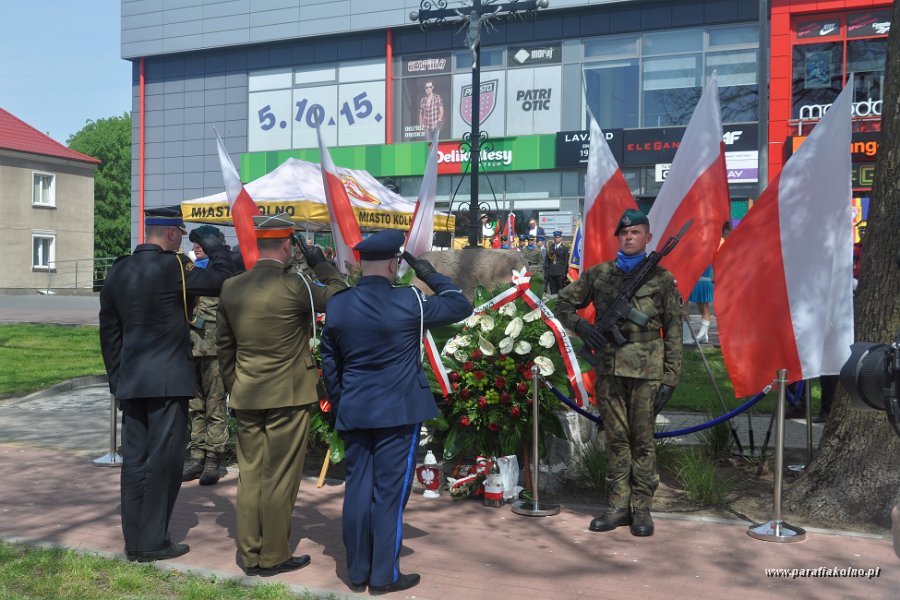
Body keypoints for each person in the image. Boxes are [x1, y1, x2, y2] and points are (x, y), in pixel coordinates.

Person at [320, 230, 472, 593]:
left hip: (356, 408)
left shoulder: (339, 304)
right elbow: (459, 304)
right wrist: (428, 272)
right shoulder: (411, 301)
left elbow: (331, 362)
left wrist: (344, 401)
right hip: (398, 412)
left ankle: (357, 572)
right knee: (388, 493)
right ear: (394, 264)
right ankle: (383, 576)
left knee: (357, 488)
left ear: (360, 264)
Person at [99, 206, 234, 562]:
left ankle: (135, 540)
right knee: (164, 463)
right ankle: (153, 541)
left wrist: (117, 378)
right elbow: (222, 280)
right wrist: (217, 247)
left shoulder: (118, 270)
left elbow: (109, 332)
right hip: (168, 383)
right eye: (182, 233)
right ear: (173, 233)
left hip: (131, 381)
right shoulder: (176, 266)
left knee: (134, 463)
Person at [216, 213, 347, 576]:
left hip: (246, 393)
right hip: (288, 395)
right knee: (280, 477)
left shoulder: (232, 287)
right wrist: (322, 263)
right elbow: (339, 297)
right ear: (289, 246)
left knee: (250, 475)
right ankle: (272, 555)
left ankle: (250, 552)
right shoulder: (297, 286)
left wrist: (234, 385)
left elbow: (224, 348)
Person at [556, 209, 682, 537]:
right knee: (614, 439)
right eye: (624, 233)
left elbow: (674, 328)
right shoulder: (599, 274)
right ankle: (616, 506)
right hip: (609, 368)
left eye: (636, 232)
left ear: (647, 237)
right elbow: (561, 305)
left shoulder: (661, 278)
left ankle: (641, 508)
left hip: (647, 370)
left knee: (642, 441)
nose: (629, 237)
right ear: (618, 238)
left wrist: (671, 376)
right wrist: (582, 325)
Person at [183, 225, 230, 486]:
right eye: (195, 243)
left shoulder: (224, 273)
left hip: (215, 349)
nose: (197, 246)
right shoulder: (188, 271)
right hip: (190, 347)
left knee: (215, 406)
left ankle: (214, 457)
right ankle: (196, 455)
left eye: (203, 242)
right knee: (195, 406)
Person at [544, 231, 570, 295]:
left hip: (560, 273)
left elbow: (566, 261)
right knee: (553, 291)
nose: (556, 239)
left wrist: (565, 273)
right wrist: (547, 273)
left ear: (561, 238)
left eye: (558, 237)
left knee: (561, 291)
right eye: (555, 237)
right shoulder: (550, 247)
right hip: (551, 272)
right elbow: (547, 261)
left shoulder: (565, 248)